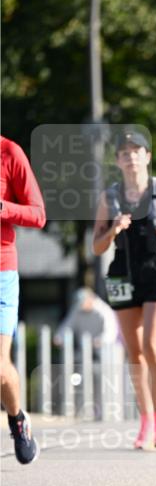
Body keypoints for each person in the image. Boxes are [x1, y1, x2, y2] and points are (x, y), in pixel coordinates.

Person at [92, 131, 156, 448]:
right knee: (134, 354)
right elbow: (97, 246)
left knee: (152, 344)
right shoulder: (109, 198)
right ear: (118, 161)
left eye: (136, 151)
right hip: (123, 275)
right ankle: (145, 422)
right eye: (124, 152)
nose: (131, 157)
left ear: (147, 157)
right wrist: (113, 229)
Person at [0, 135, 46, 465]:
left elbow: (38, 214)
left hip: (1, 270)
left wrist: (3, 207)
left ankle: (17, 420)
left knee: (1, 370)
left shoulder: (9, 152)